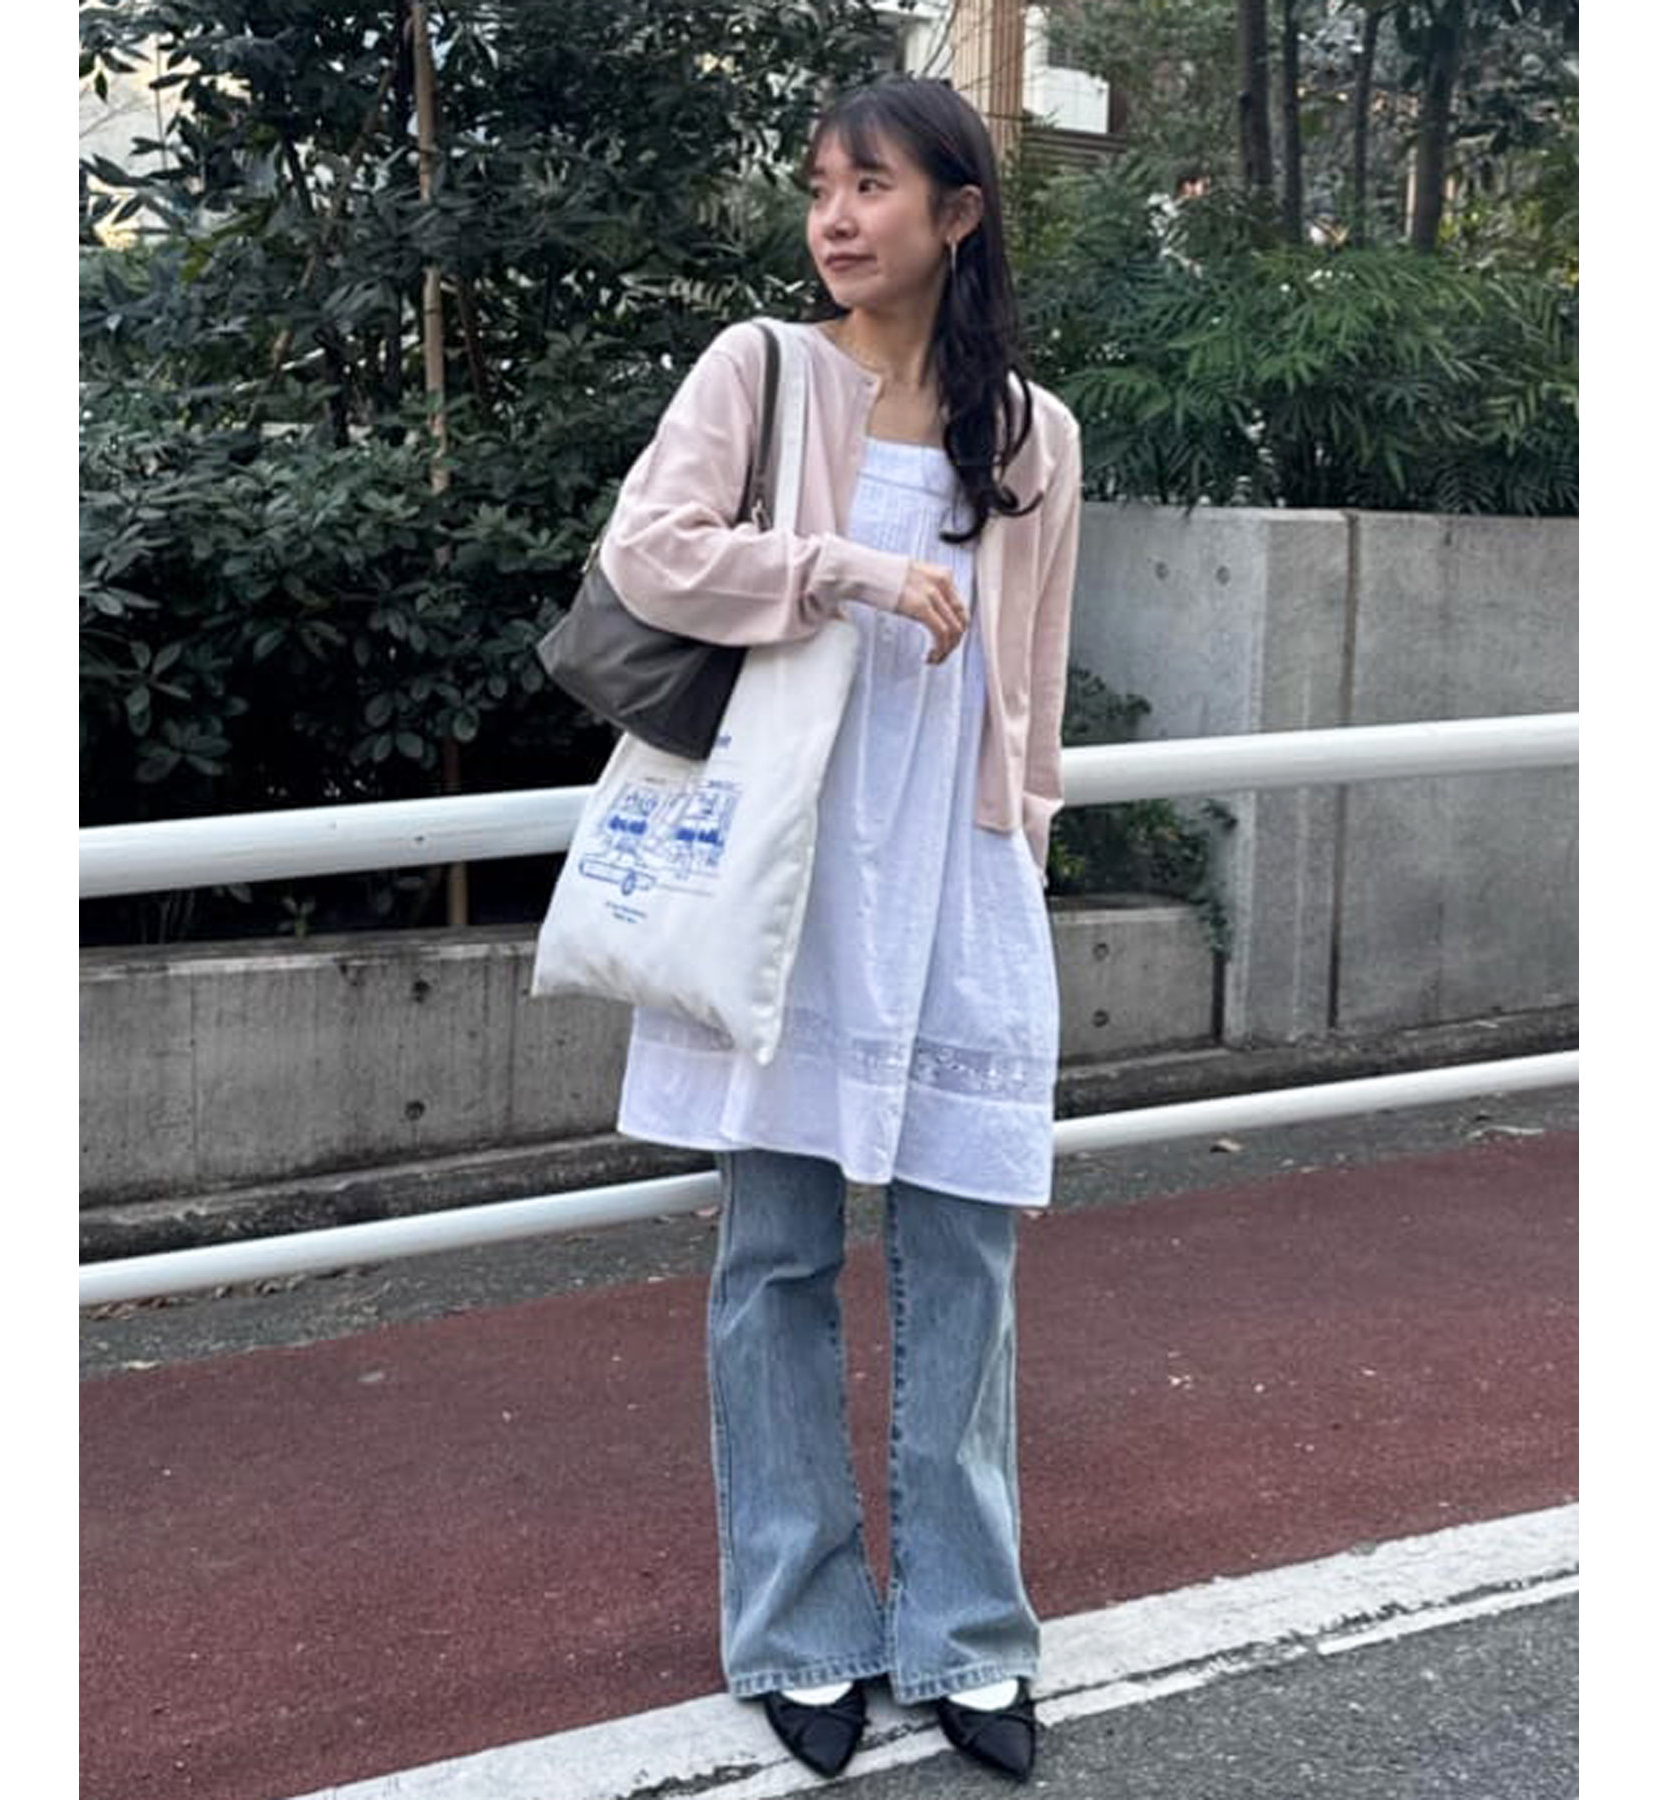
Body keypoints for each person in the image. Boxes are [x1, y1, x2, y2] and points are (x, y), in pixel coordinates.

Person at [594, 74, 1082, 1785]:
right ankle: (802, 1622)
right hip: (790, 875)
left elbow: (1032, 683)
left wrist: (1021, 857)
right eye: (820, 187)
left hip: (954, 876)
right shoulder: (760, 369)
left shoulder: (1030, 433)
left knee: (967, 1260)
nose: (836, 218)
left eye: (872, 186)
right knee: (778, 1257)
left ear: (959, 213)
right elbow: (649, 553)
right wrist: (843, 571)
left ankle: (970, 1633)